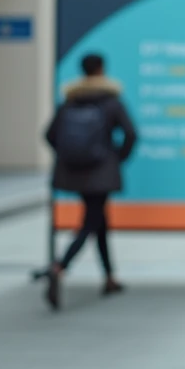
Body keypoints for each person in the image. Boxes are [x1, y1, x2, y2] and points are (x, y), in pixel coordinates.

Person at [43, 53, 138, 310]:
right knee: (91, 222)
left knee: (99, 221)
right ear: (101, 70)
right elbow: (131, 133)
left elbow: (49, 135)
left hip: (75, 173)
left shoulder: (70, 101)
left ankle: (109, 278)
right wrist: (116, 158)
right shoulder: (111, 101)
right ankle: (60, 267)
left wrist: (71, 156)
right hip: (101, 172)